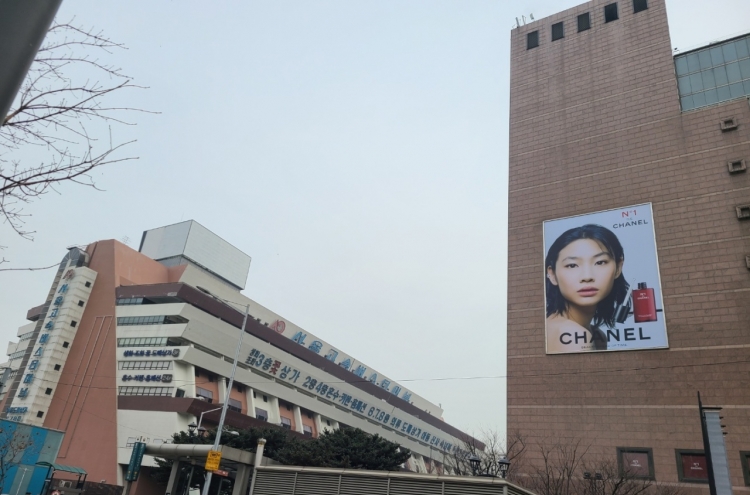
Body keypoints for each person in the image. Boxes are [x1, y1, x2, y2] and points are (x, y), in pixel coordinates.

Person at [545, 224, 629, 353]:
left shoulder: (598, 336)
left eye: (600, 262)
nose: (587, 277)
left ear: (618, 268)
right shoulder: (571, 335)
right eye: (572, 265)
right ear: (552, 274)